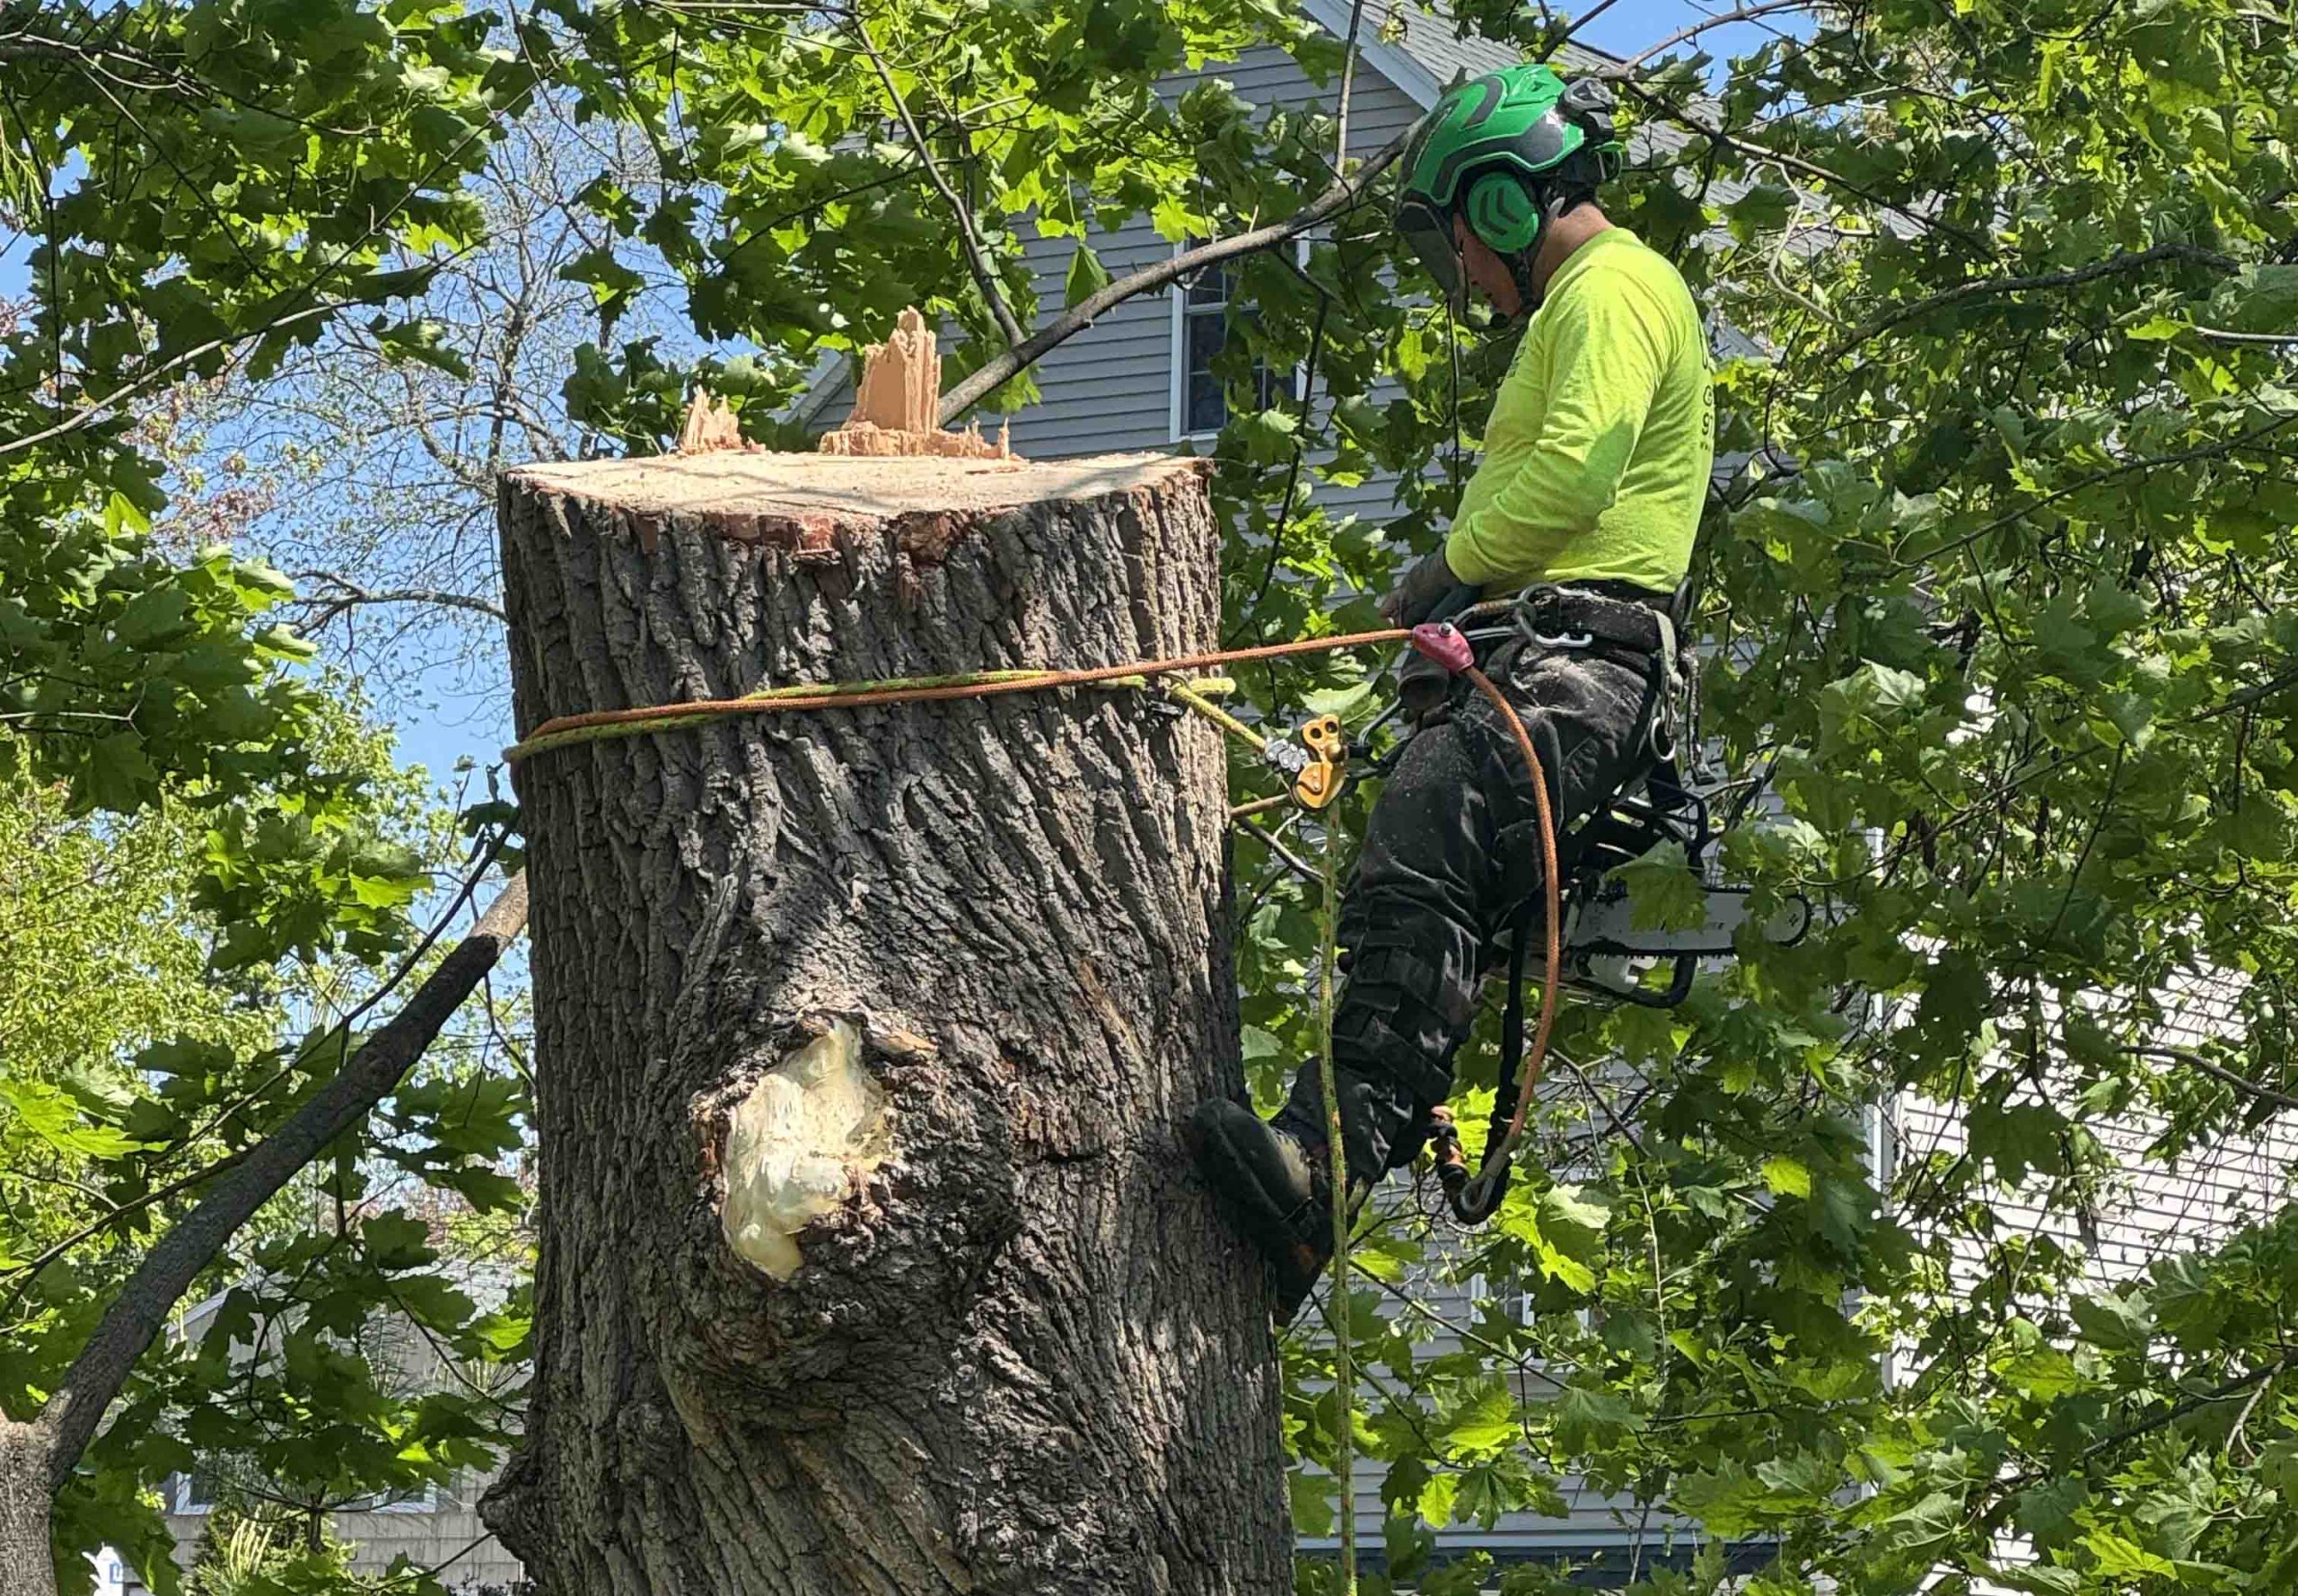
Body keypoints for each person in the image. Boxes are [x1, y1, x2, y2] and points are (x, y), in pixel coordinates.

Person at [1188, 62, 1717, 1321]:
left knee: (1426, 836)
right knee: (1420, 856)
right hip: (1544, 652)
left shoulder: (1610, 289)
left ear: (1497, 203)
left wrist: (1442, 571)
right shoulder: (1589, 301)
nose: (1466, 274)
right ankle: (1321, 1181)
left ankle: (1322, 1164)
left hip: (1581, 662)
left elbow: (1576, 478)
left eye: (1461, 244)